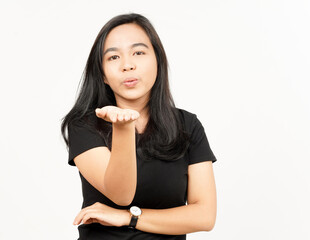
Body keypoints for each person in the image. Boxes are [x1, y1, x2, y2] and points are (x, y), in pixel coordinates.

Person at [61, 13, 217, 240]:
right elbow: (121, 194)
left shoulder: (187, 125)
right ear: (102, 74)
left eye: (139, 52)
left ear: (157, 61)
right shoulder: (85, 125)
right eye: (113, 57)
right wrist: (123, 126)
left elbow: (204, 216)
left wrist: (129, 218)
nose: (127, 65)